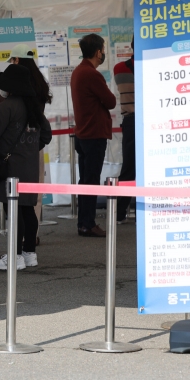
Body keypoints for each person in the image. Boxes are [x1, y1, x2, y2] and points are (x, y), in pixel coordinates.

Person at [0, 64, 52, 269]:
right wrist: (30, 149)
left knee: (13, 211)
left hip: (10, 167)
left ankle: (15, 257)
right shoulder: (34, 106)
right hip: (29, 164)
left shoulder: (6, 106)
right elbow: (46, 136)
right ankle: (29, 254)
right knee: (27, 210)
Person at [70, 33, 117, 237]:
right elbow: (111, 101)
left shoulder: (78, 72)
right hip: (93, 134)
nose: (103, 53)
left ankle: (84, 222)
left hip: (82, 133)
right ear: (98, 52)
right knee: (90, 181)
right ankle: (87, 224)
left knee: (85, 180)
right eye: (103, 50)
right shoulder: (92, 74)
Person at [8, 43, 53, 249]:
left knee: (16, 201)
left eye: (11, 60)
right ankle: (30, 244)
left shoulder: (18, 85)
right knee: (33, 200)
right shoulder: (39, 83)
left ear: (16, 60)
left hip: (18, 147)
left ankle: (18, 249)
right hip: (35, 145)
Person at [113, 38, 135, 224]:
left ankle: (120, 213)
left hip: (130, 122)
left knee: (128, 168)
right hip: (150, 123)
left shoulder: (119, 69)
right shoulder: (151, 68)